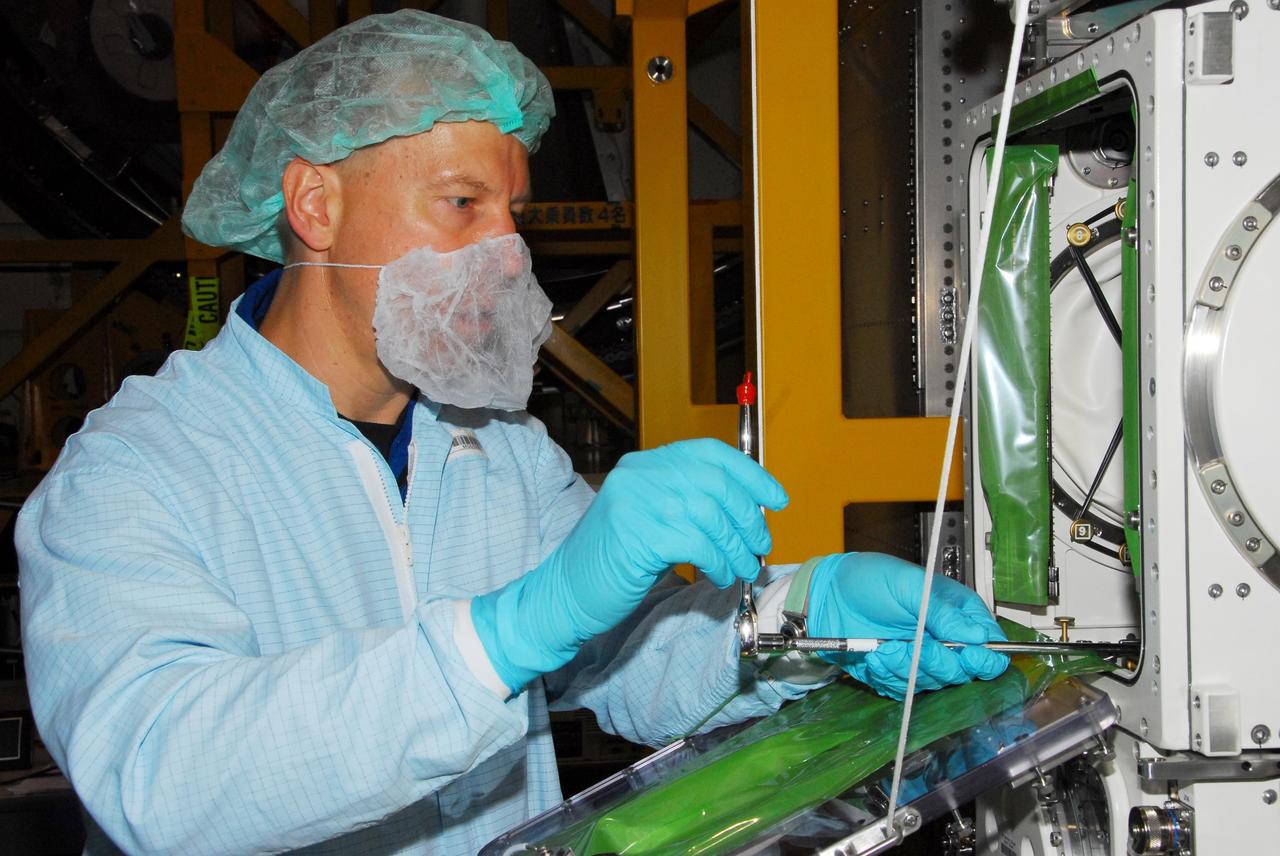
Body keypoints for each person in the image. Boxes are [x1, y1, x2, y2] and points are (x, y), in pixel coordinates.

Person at [16, 11, 1008, 854]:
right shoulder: (139, 467)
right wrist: (505, 632)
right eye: (460, 205)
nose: (505, 251)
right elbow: (161, 772)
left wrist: (804, 620)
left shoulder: (496, 448)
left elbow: (632, 661)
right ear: (315, 205)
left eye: (512, 213)